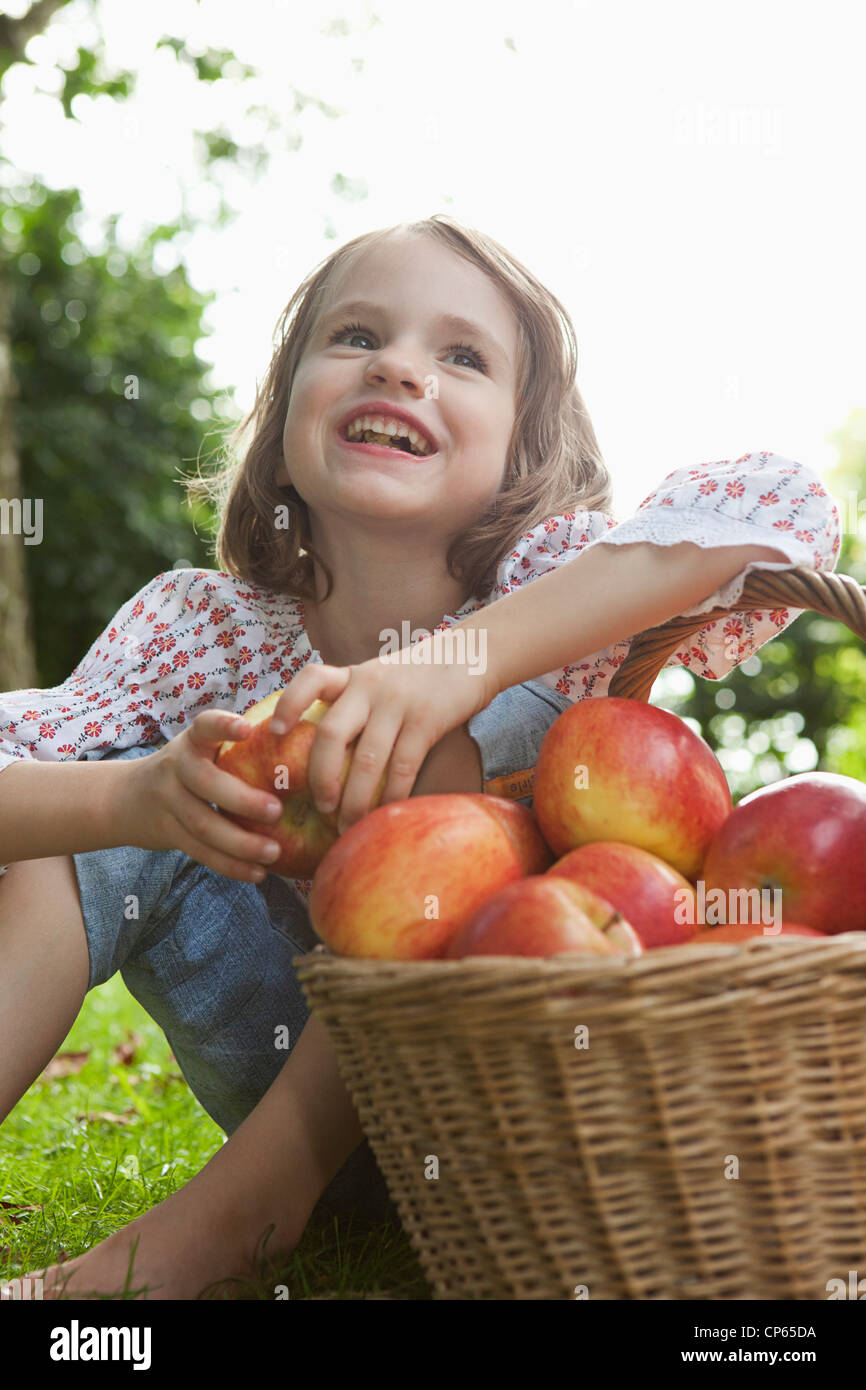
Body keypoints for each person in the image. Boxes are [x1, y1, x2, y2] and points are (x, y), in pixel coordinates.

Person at [0, 214, 841, 1298]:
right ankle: (257, 1180)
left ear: (521, 452)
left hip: (518, 1109)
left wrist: (467, 660)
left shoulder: (550, 583)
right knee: (132, 784)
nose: (397, 364)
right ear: (283, 411)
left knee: (531, 736)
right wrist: (141, 797)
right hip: (282, 1051)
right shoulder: (202, 628)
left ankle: (223, 1226)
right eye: (354, 335)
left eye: (461, 356)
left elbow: (778, 501)